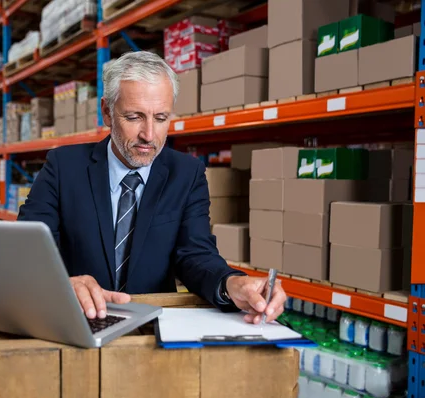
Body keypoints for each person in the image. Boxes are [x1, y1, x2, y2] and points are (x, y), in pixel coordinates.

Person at [18, 51, 286, 324]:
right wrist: (63, 284)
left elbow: (195, 253)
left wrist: (231, 283)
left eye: (160, 118)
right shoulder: (64, 166)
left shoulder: (187, 173)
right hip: (77, 318)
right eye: (134, 117)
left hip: (154, 325)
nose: (149, 135)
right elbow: (25, 249)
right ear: (107, 112)